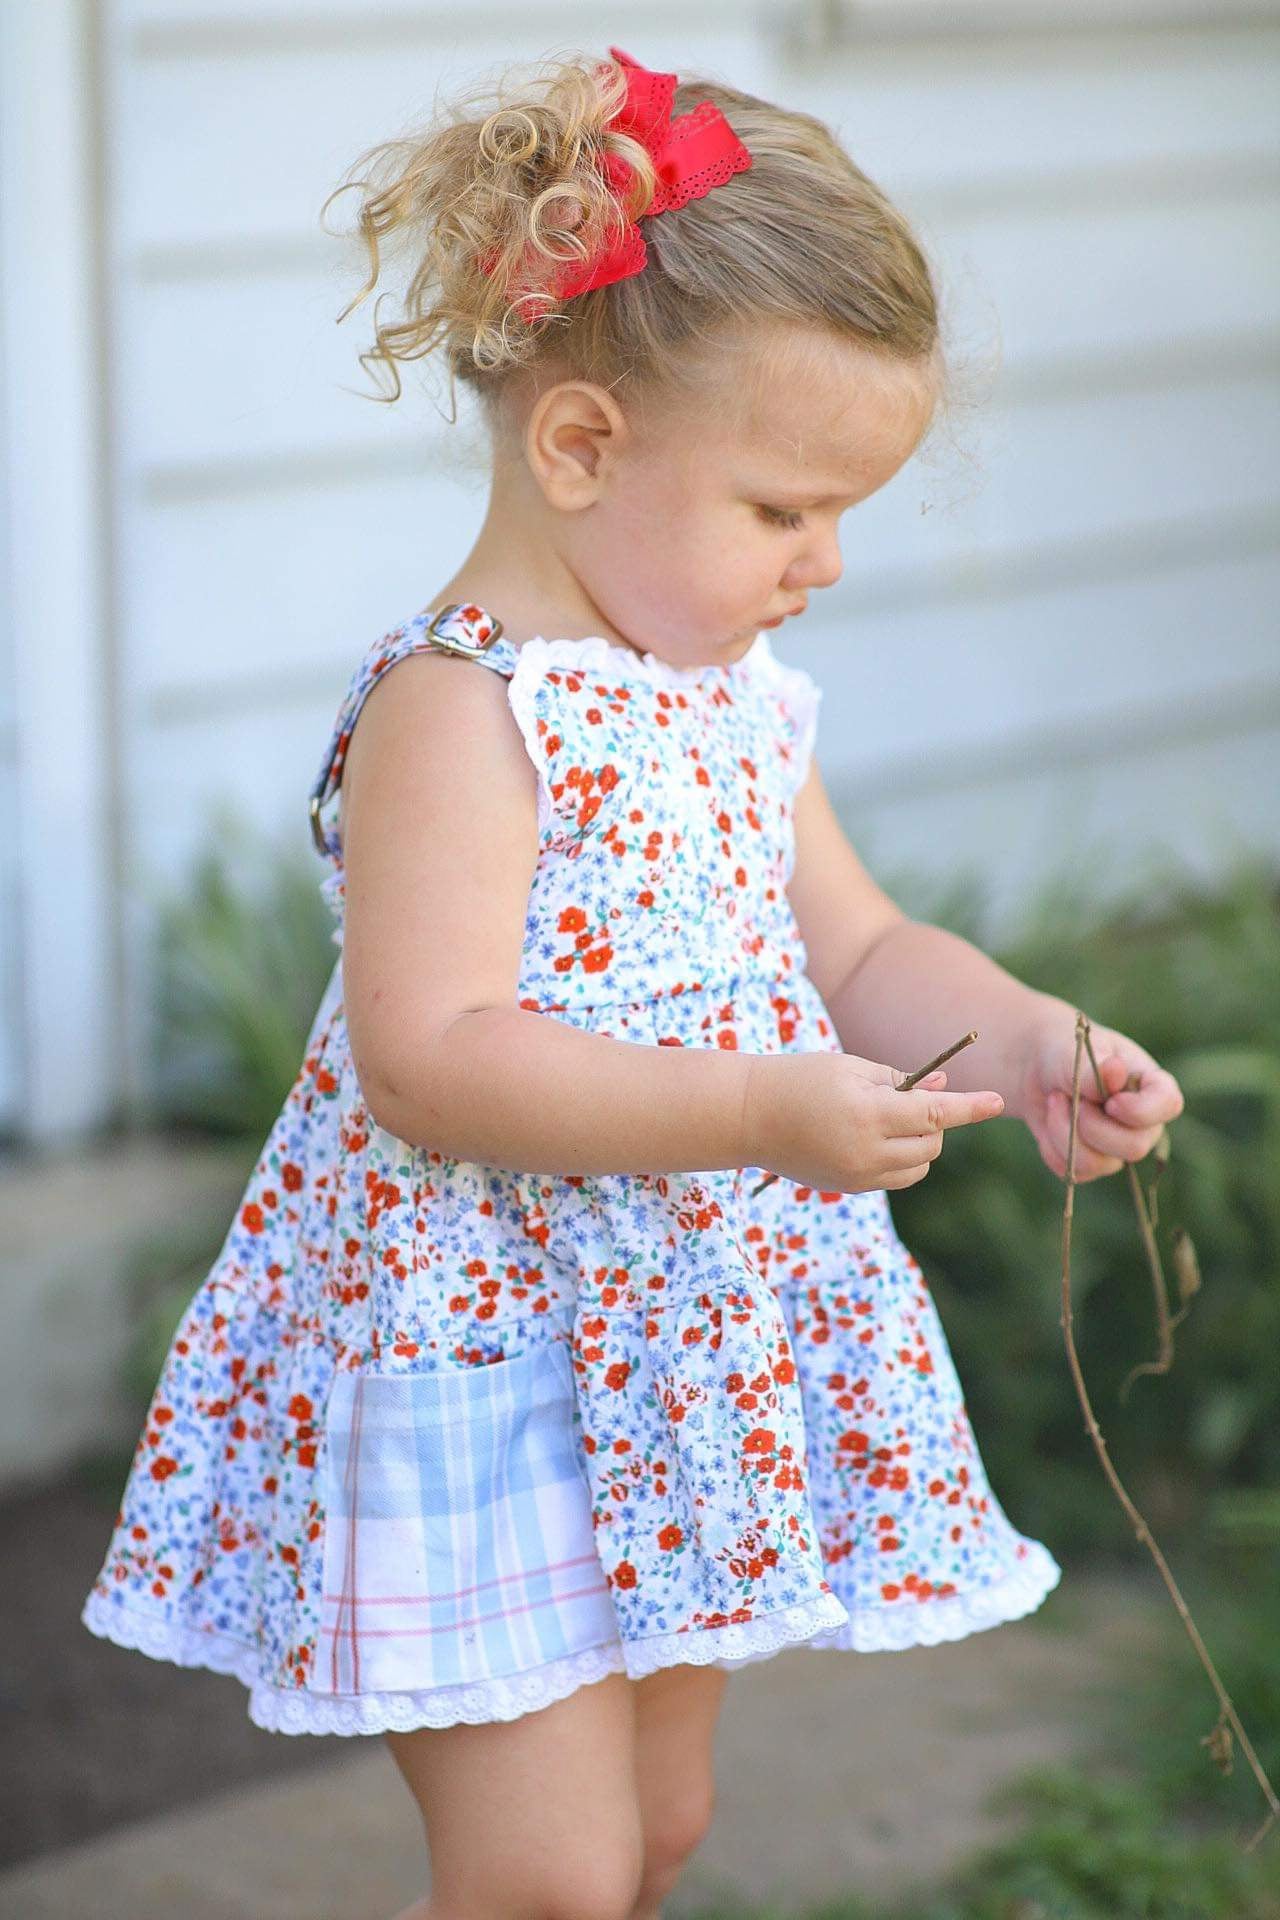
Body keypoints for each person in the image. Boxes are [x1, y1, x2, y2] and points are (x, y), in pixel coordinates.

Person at [81, 45, 1184, 1920]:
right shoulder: (462, 706)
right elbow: (432, 1061)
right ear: (580, 446)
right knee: (550, 1878)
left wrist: (1027, 1038)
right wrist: (755, 1112)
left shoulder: (737, 699)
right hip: (480, 1350)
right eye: (782, 512)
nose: (824, 563)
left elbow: (857, 949)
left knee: (654, 1834)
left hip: (677, 1358)